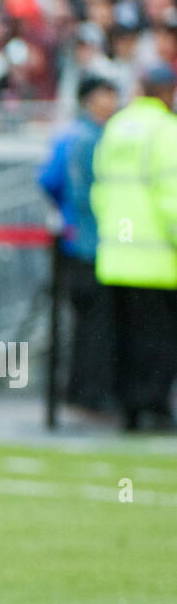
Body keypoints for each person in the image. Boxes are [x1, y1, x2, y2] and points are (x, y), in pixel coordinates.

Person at [91, 64, 177, 431]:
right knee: (158, 339)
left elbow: (99, 189)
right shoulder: (166, 131)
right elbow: (171, 197)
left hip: (115, 254)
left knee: (123, 336)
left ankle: (127, 408)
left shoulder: (116, 128)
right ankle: (152, 406)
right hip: (156, 257)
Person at [38, 75, 118, 414]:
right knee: (96, 325)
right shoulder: (93, 138)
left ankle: (76, 391)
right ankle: (89, 393)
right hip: (93, 244)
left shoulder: (70, 137)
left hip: (76, 242)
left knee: (84, 324)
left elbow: (49, 180)